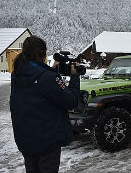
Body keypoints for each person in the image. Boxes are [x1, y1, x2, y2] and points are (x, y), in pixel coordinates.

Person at [10, 36, 79, 173]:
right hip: (46, 142)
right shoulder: (47, 78)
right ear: (41, 54)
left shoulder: (17, 73)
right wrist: (75, 77)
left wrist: (51, 69)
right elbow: (70, 101)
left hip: (26, 140)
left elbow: (38, 88)